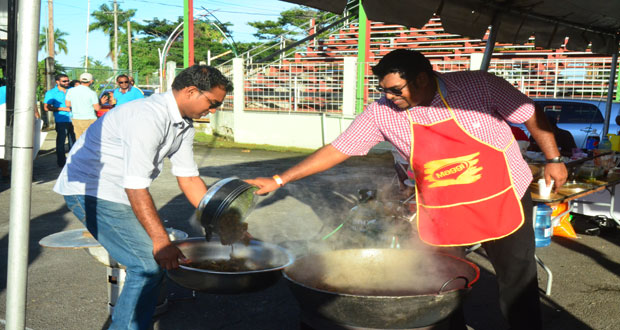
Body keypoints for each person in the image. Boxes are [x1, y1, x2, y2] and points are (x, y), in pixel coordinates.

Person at [247, 49, 567, 330]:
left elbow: (529, 114)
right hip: (441, 207)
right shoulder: (382, 113)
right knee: (439, 282)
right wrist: (280, 180)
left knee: (517, 278)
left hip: (502, 196)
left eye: (395, 90)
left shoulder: (479, 85)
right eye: (383, 90)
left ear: (423, 79)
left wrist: (553, 158)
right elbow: (338, 148)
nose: (389, 97)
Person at [53, 65, 231, 330]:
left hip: (119, 192)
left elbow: (189, 177)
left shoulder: (183, 124)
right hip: (91, 190)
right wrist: (160, 241)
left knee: (152, 265)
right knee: (147, 265)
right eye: (213, 102)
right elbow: (136, 186)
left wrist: (224, 221)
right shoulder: (148, 117)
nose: (214, 110)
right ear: (192, 91)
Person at [44, 74, 75, 167]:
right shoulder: (51, 93)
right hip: (61, 120)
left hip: (74, 119)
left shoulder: (72, 90)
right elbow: (46, 107)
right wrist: (62, 109)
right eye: (64, 81)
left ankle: (73, 162)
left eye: (68, 80)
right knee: (61, 142)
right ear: (57, 82)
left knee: (73, 141)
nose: (67, 82)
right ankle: (61, 163)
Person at [65, 72, 100, 140]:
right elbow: (97, 108)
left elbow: (68, 104)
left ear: (80, 80)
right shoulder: (92, 93)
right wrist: (101, 103)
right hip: (89, 118)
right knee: (90, 139)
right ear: (91, 81)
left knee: (79, 139)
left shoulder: (71, 91)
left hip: (76, 118)